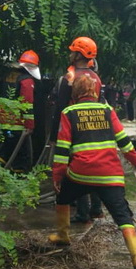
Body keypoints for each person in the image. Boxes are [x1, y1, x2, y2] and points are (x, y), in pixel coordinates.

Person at [48, 74, 136, 269]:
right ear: (95, 91)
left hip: (79, 174)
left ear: (75, 92)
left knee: (62, 197)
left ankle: (63, 236)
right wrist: (135, 160)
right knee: (124, 218)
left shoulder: (68, 112)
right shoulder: (108, 110)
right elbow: (123, 141)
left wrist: (57, 175)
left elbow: (62, 148)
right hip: (110, 175)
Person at [49, 36, 104, 222]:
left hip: (73, 127)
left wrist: (54, 135)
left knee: (77, 170)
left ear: (78, 54)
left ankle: (82, 213)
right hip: (94, 127)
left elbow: (61, 107)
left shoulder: (70, 78)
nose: (70, 54)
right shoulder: (96, 77)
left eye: (73, 51)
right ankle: (96, 209)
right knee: (94, 167)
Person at [0, 50, 40, 171]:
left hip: (3, 122)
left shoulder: (10, 76)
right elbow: (27, 104)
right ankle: (19, 178)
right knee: (21, 154)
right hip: (17, 124)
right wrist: (30, 125)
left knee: (6, 149)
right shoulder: (26, 81)